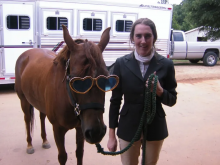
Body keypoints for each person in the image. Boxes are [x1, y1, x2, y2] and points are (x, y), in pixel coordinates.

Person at [107, 18, 177, 165]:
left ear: (154, 38)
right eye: (138, 36)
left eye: (148, 36)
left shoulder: (166, 65)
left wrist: (160, 91)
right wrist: (111, 135)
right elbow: (115, 101)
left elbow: (172, 99)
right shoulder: (121, 63)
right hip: (128, 127)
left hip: (155, 128)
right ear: (133, 38)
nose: (143, 41)